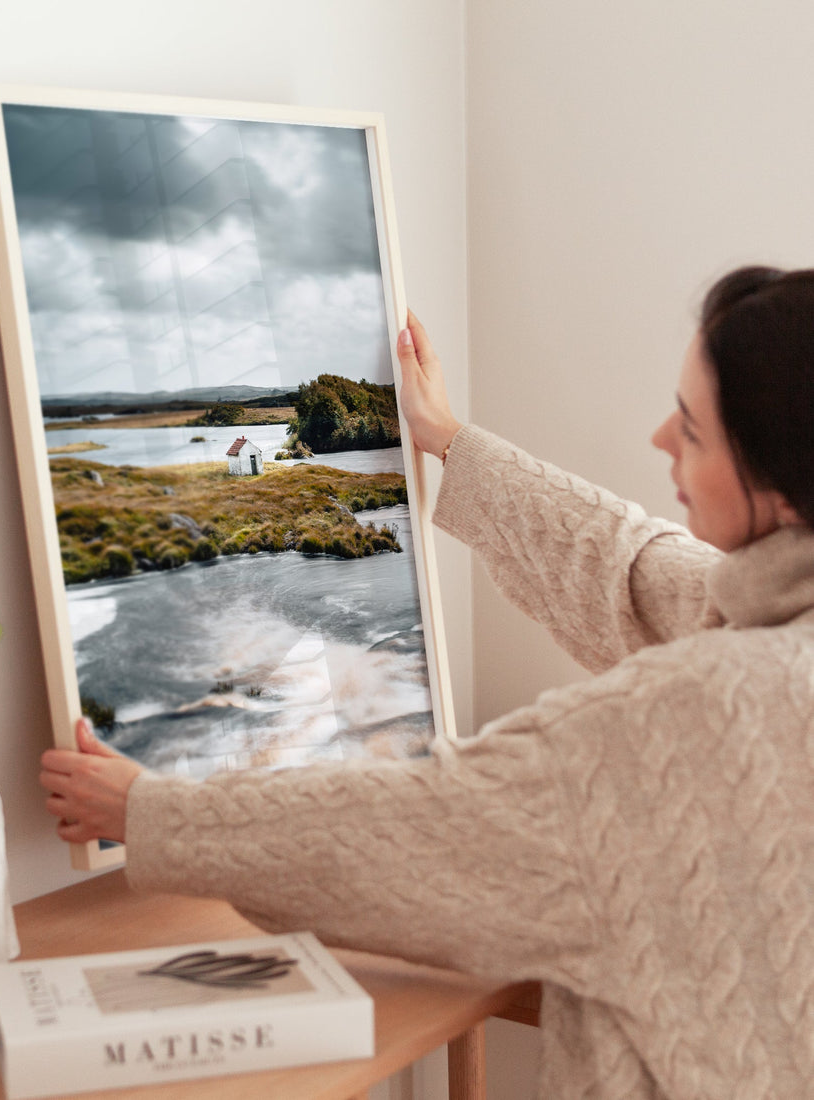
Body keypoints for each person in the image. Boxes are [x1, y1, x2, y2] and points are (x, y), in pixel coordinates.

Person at [40, 266, 814, 1099]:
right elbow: (631, 568)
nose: (661, 437)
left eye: (693, 431)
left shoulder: (696, 713)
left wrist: (149, 813)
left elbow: (422, 826)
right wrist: (448, 439)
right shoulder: (775, 621)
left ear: (779, 485)